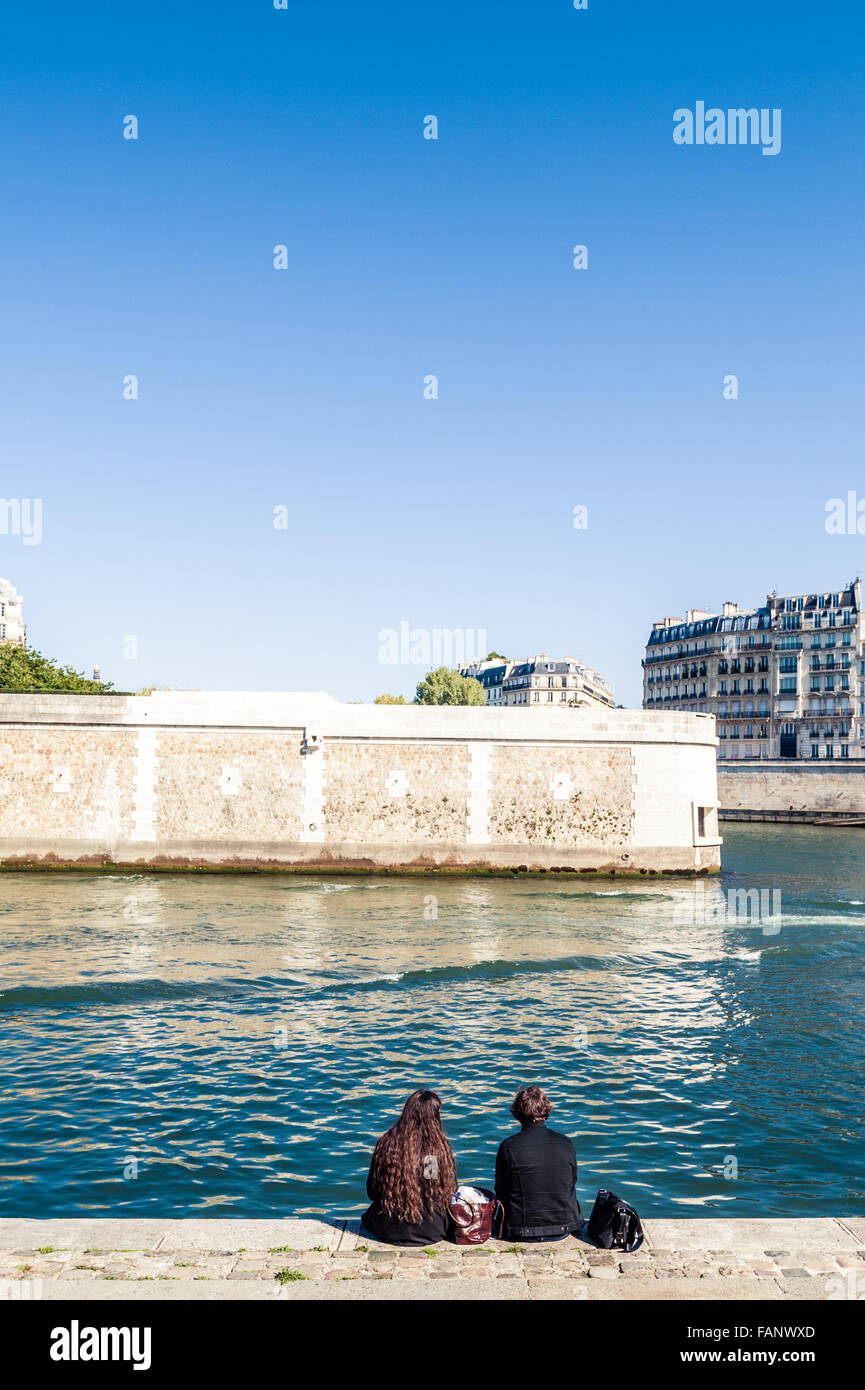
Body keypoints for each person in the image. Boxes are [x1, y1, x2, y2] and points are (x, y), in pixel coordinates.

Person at [361, 1089, 458, 1245]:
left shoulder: (388, 1144)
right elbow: (450, 1191)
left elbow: (373, 1192)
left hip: (388, 1228)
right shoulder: (438, 1149)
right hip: (432, 1230)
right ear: (435, 1116)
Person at [494, 1085, 582, 1241]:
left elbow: (501, 1190)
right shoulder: (566, 1143)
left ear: (517, 1113)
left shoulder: (508, 1147)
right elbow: (571, 1182)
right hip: (564, 1225)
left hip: (521, 1228)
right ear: (546, 1110)